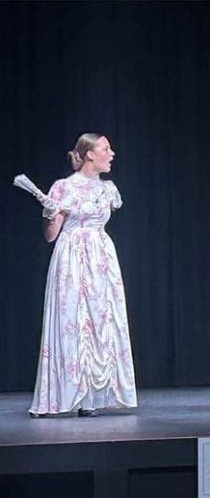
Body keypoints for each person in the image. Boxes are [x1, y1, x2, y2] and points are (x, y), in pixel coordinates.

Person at [29, 133, 137, 416]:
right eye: (106, 149)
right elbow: (51, 235)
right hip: (72, 258)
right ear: (90, 154)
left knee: (101, 321)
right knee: (72, 321)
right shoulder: (64, 187)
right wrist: (50, 213)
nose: (112, 154)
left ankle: (90, 398)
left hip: (101, 257)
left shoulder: (108, 189)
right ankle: (60, 396)